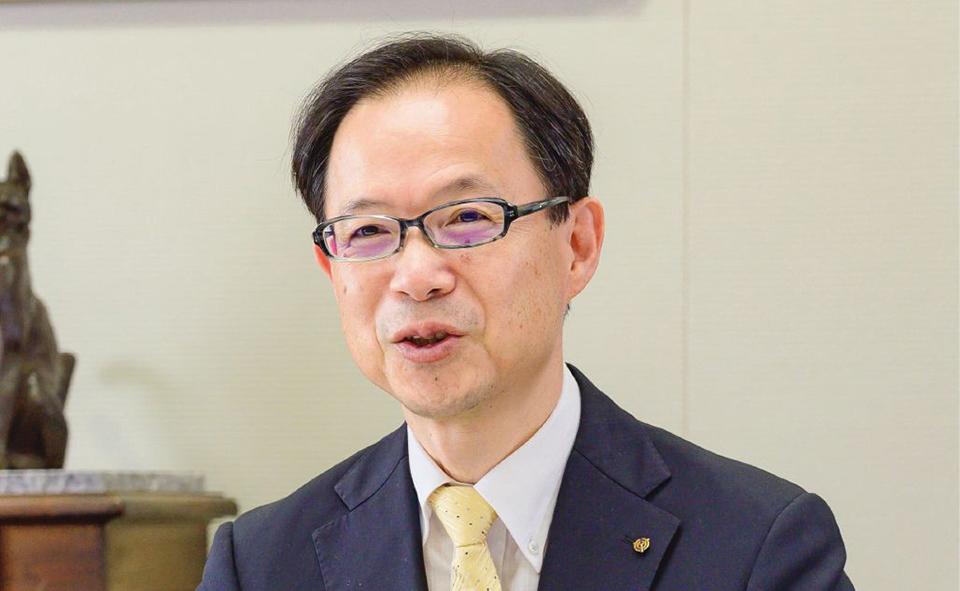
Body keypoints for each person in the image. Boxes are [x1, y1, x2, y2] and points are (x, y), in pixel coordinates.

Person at [198, 34, 854, 591]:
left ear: (578, 245)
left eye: (467, 218)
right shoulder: (259, 564)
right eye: (368, 231)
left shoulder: (757, 548)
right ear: (331, 268)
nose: (417, 277)